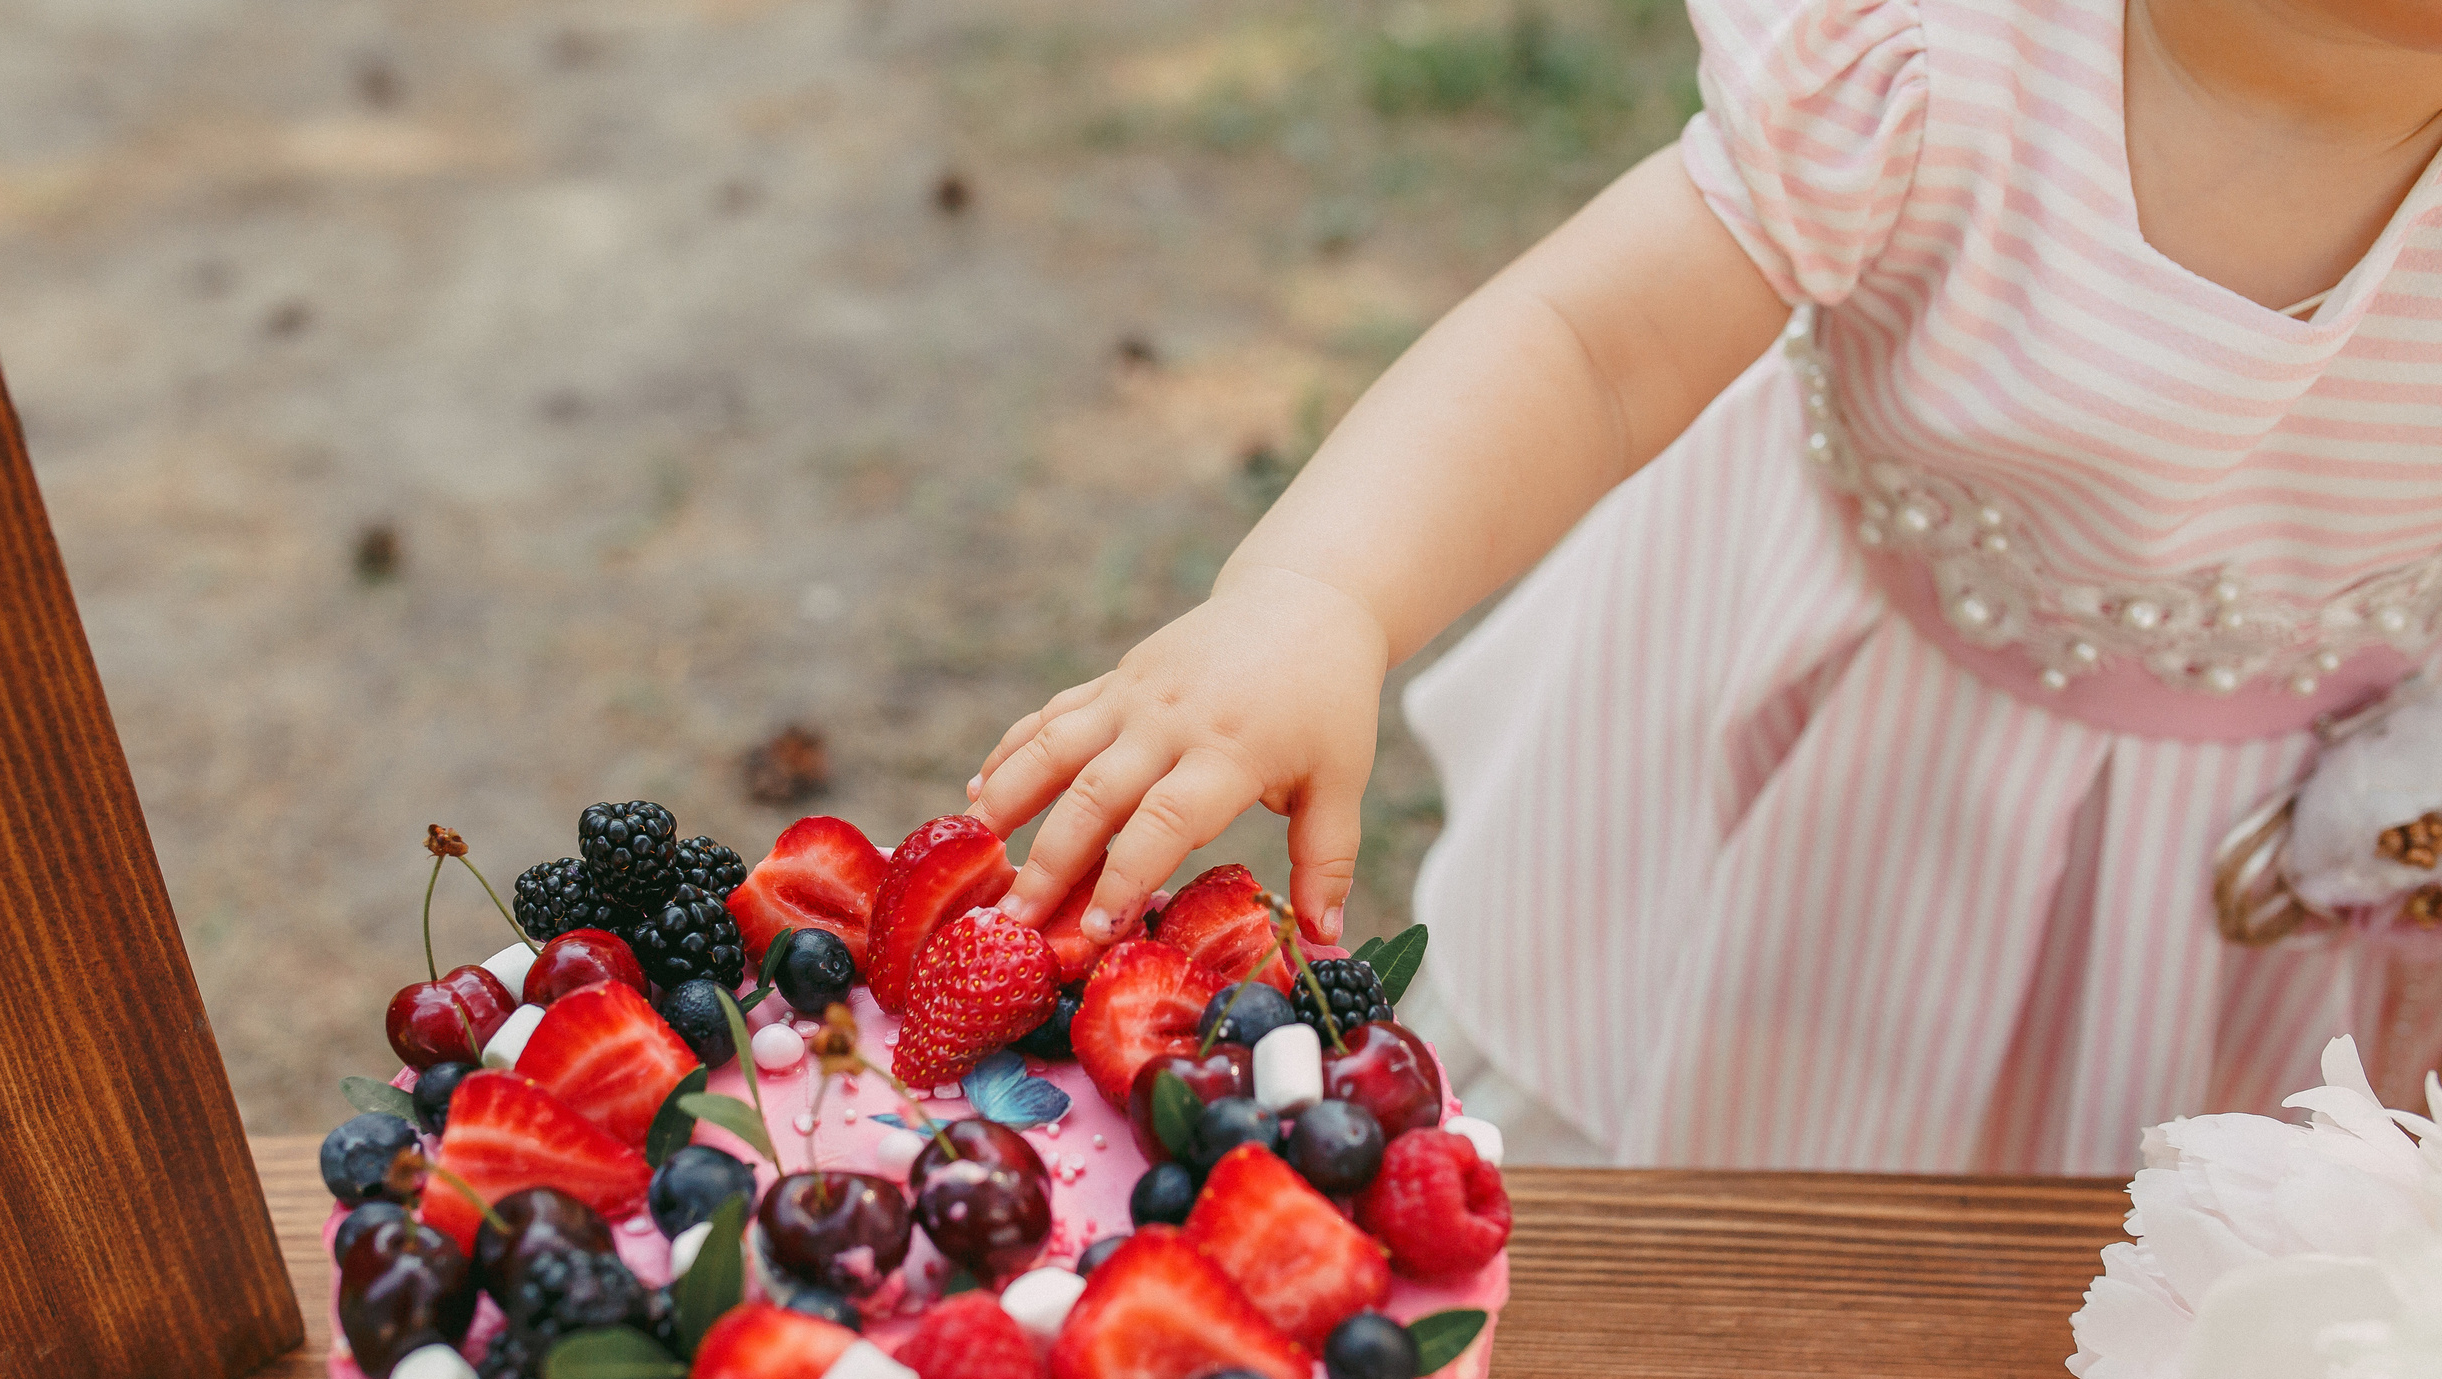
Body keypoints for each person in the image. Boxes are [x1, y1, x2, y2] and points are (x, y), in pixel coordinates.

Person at [965, 0, 2442, 1173]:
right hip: (1830, 799)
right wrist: (1322, 591)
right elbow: (1591, 352)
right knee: (1687, 1237)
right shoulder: (1928, 57)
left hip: (2269, 927)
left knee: (2146, 1340)